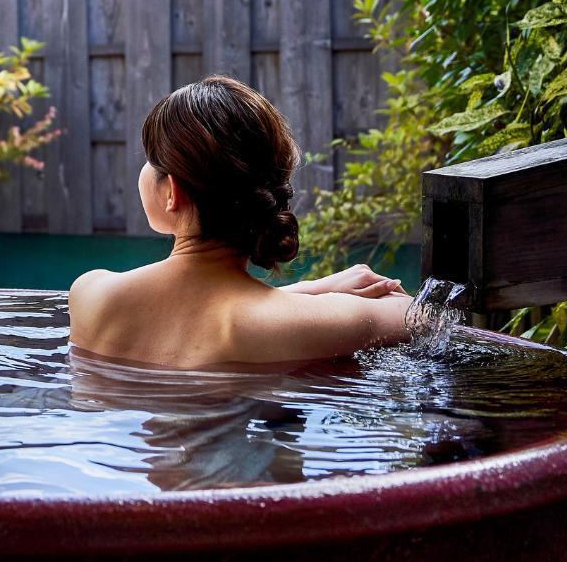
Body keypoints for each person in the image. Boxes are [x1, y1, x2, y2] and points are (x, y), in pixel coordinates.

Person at [68, 75, 412, 369]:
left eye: (151, 160)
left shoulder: (91, 294)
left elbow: (192, 320)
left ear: (172, 191)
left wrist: (310, 295)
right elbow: (426, 317)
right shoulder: (275, 325)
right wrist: (323, 300)